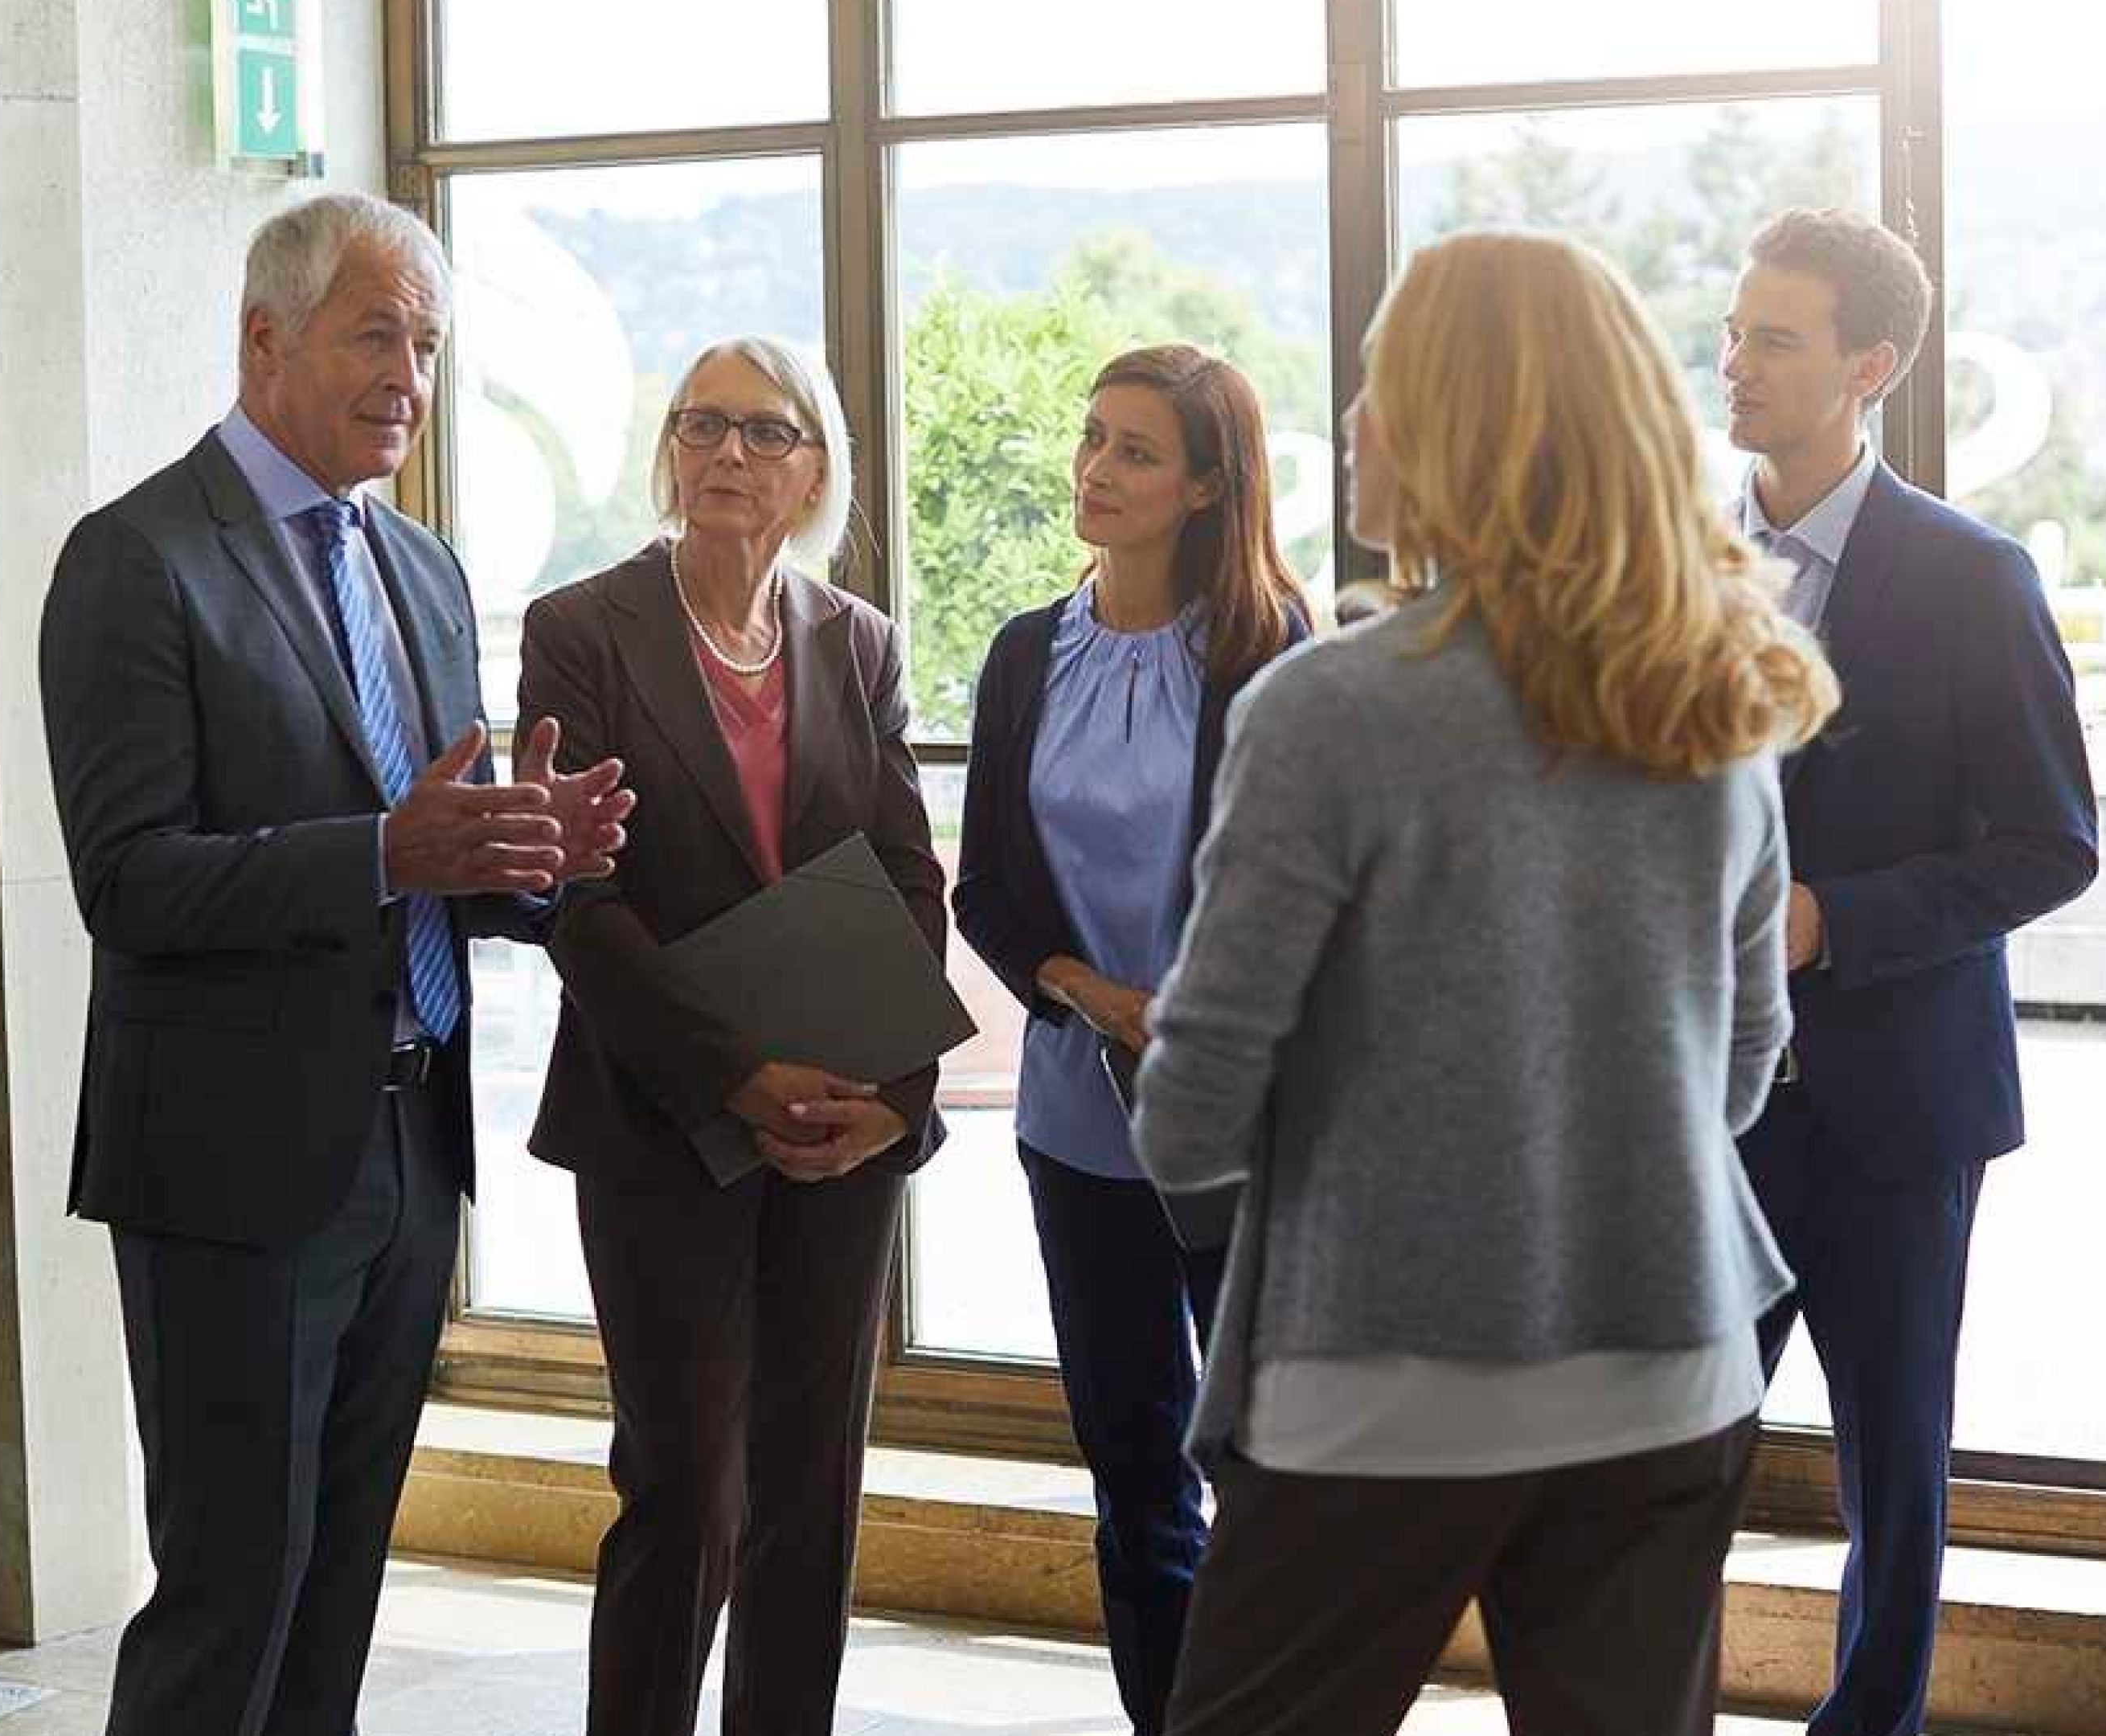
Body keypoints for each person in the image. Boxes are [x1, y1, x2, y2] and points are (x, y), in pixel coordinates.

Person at [1139, 230, 1840, 1736]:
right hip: (1672, 1362)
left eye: (1384, 382)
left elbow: (1192, 1112)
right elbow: (1735, 1067)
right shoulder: (1714, 693)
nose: (1354, 421)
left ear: (1464, 421)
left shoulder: (1330, 708)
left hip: (1379, 1375)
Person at [39, 192, 633, 1736]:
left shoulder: (425, 569)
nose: (411, 379)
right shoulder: (135, 561)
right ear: (263, 340)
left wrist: (527, 859)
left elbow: (443, 857)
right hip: (234, 1174)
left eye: (429, 347)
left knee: (342, 1586)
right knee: (234, 1590)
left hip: (411, 1147)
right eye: (379, 335)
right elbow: (128, 883)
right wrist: (389, 851)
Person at [514, 336, 946, 1736]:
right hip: (658, 1119)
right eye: (702, 425)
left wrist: (893, 1097)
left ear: (815, 467)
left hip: (841, 1126)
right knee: (688, 1482)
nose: (726, 455)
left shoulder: (857, 639)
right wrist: (732, 1075)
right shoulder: (582, 627)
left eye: (764, 432)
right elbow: (576, 898)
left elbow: (904, 874)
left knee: (812, 1485)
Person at [1719, 207, 2098, 1736]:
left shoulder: (1971, 576)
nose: (1736, 362)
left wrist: (1830, 921)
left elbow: (2049, 845)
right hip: (1705, 1108)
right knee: (1659, 1455)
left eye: (1777, 339)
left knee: (1894, 1463)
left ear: (1870, 366)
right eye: (1736, 330)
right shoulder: (1672, 563)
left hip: (1894, 1106)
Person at [952, 342, 1306, 1736]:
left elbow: (1325, 893)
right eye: (1093, 439)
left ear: (1209, 484)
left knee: (1271, 1478)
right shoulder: (1027, 654)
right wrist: (1096, 1000)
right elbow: (984, 886)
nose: (1096, 471)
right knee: (1135, 1476)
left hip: (1250, 1126)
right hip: (1078, 1118)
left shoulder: (1280, 654)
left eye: (1137, 451)